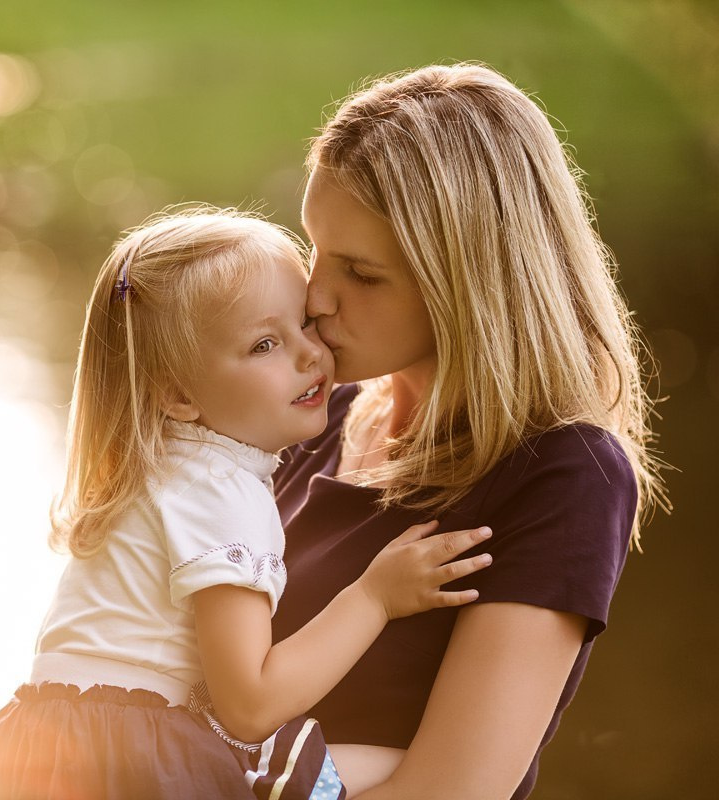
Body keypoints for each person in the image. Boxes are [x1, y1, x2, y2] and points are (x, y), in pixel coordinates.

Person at [0, 208, 494, 799]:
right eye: (265, 343)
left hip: (46, 746)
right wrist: (375, 598)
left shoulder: (161, 466)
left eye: (303, 323)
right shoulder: (222, 490)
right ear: (176, 393)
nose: (311, 354)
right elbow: (250, 704)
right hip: (130, 755)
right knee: (394, 769)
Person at [271, 62, 667, 799]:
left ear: (468, 281)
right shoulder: (308, 413)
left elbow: (447, 792)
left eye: (361, 272)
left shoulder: (563, 475)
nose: (314, 296)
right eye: (313, 248)